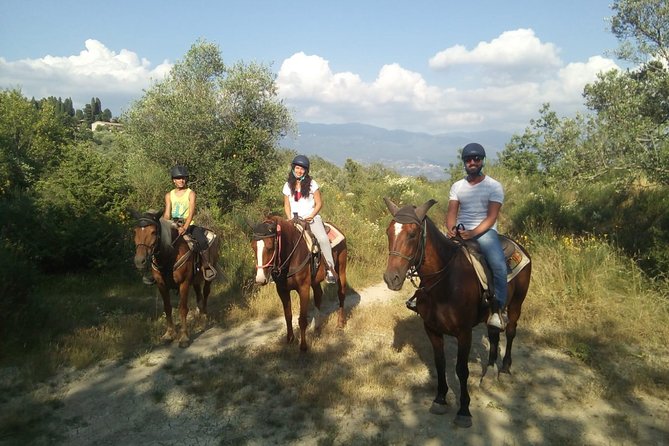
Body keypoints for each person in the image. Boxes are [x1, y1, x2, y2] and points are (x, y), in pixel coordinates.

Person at [445, 143, 507, 329]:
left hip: (484, 232)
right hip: (461, 230)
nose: (472, 162)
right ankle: (423, 297)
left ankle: (498, 310)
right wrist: (451, 229)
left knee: (499, 266)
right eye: (468, 159)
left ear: (482, 161)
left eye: (476, 159)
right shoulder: (457, 186)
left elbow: (491, 217)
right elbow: (451, 213)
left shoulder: (494, 186)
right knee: (432, 255)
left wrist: (472, 233)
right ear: (464, 162)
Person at [282, 155, 337, 284]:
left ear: (306, 171)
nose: (299, 171)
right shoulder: (287, 185)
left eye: (302, 169)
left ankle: (330, 269)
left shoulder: (312, 184)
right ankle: (278, 272)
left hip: (310, 219)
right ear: (293, 168)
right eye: (297, 168)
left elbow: (319, 203)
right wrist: (289, 218)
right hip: (294, 219)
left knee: (323, 239)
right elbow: (286, 205)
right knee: (280, 240)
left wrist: (312, 214)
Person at [163, 165, 217, 281]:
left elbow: (191, 212)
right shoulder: (169, 195)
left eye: (183, 178)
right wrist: (165, 223)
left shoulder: (190, 193)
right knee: (158, 241)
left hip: (189, 225)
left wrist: (185, 227)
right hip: (173, 224)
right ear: (174, 180)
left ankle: (206, 267)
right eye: (178, 178)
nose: (181, 180)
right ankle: (157, 271)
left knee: (203, 241)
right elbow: (167, 213)